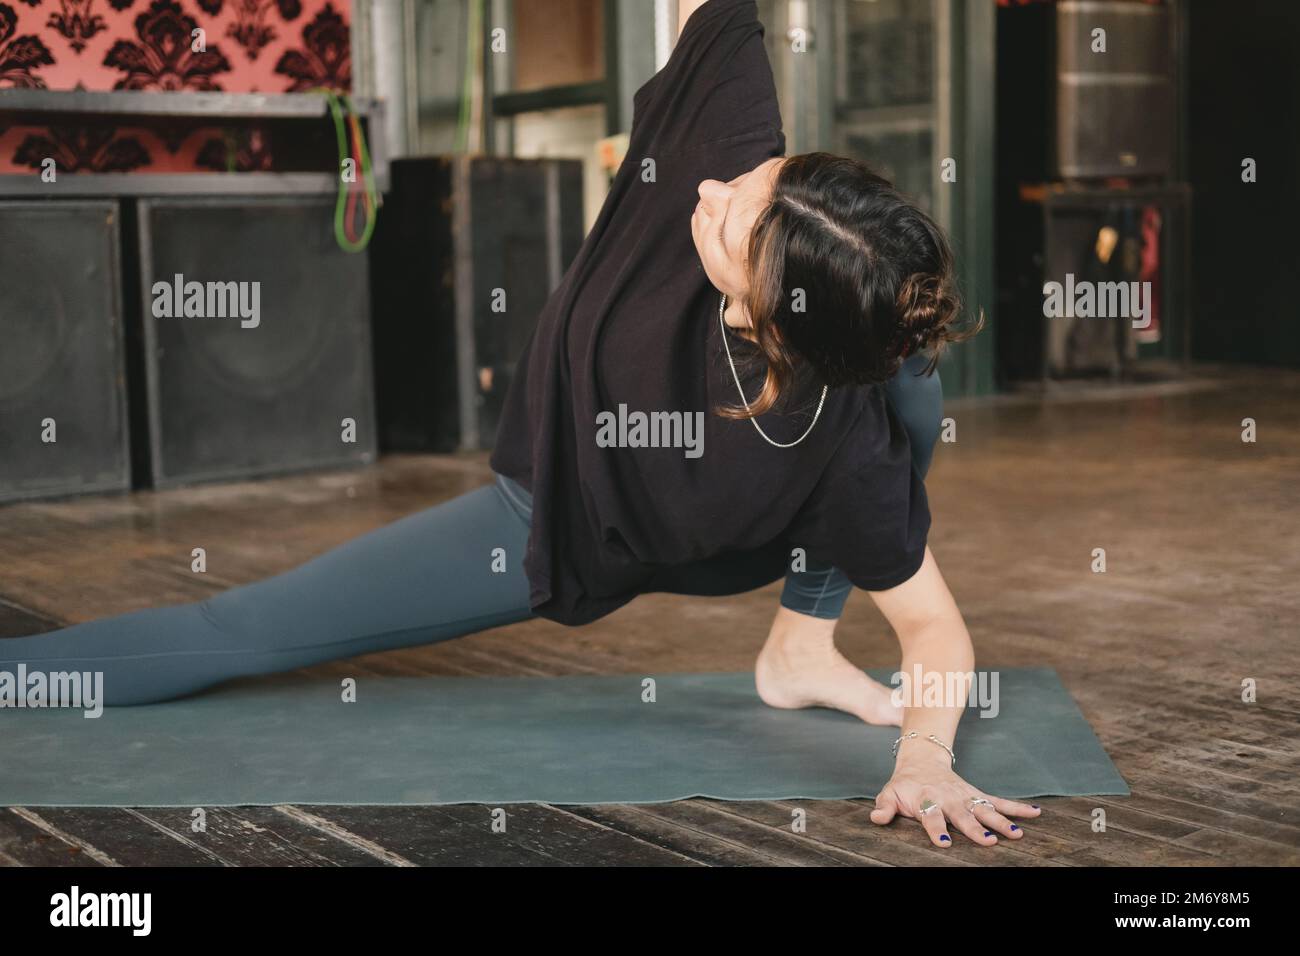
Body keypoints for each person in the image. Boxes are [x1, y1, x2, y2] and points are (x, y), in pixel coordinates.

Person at [1, 0, 1037, 848]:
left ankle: (798, 646)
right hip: (557, 505)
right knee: (247, 626)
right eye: (750, 180)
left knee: (912, 390)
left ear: (755, 309)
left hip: (722, 526)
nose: (712, 188)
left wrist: (925, 756)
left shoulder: (845, 443)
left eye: (729, 214)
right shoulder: (731, 145)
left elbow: (932, 629)